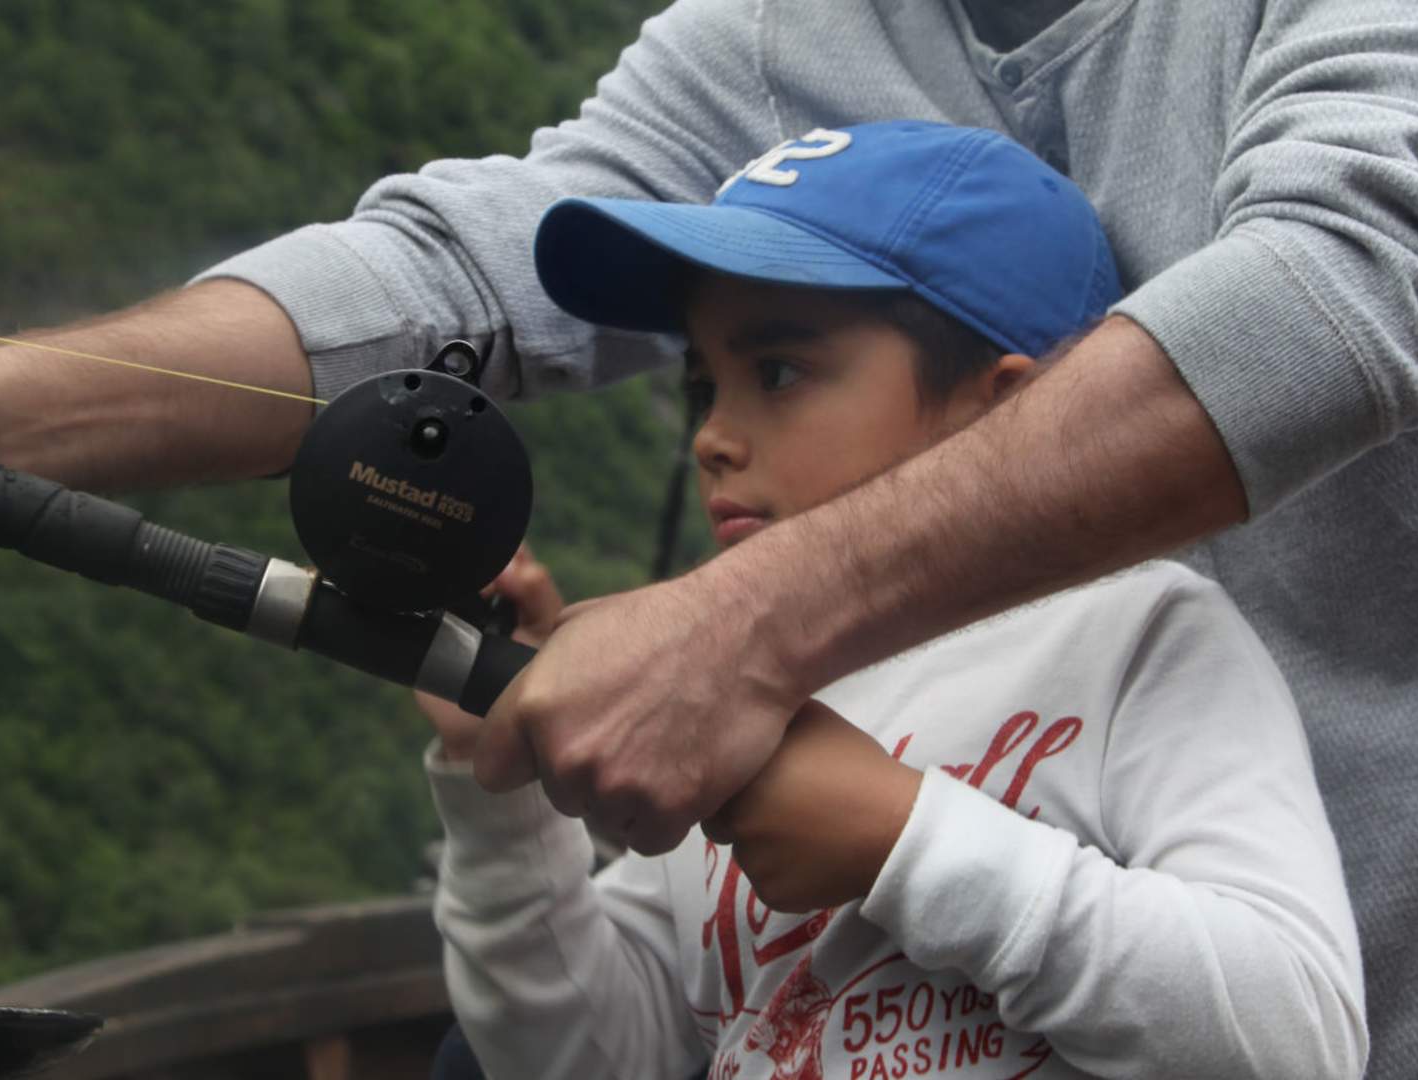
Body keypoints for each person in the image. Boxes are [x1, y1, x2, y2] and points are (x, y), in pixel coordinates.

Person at [0, 2, 1418, 1076]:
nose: (719, 433)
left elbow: (1362, 269)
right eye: (698, 387)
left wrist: (740, 629)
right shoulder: (784, 38)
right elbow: (461, 265)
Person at [413, 120, 1367, 1080]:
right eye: (706, 385)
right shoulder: (717, 690)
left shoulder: (1141, 636)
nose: (710, 437)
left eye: (777, 371)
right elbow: (590, 1057)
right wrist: (502, 794)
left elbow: (1298, 1038)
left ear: (1007, 413)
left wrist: (905, 843)